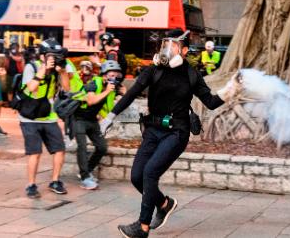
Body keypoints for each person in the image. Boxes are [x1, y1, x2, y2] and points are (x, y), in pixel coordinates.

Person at [99, 30, 242, 238]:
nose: (166, 48)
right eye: (165, 43)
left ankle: (142, 227)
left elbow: (210, 103)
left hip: (176, 132)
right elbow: (130, 94)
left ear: (183, 50)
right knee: (137, 176)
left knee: (149, 173)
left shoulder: (191, 73)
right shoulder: (154, 70)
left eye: (173, 44)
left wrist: (231, 90)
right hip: (152, 130)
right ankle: (164, 204)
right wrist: (109, 117)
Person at [20, 39, 70, 198]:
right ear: (42, 56)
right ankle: (31, 185)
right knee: (35, 152)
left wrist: (62, 71)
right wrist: (43, 70)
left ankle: (55, 181)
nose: (53, 58)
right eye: (51, 56)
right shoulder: (31, 67)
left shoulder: (57, 69)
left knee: (60, 150)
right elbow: (31, 87)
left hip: (49, 116)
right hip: (29, 117)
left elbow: (67, 88)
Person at [73, 60, 126, 190]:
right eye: (112, 75)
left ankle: (87, 171)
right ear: (104, 75)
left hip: (92, 120)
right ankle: (85, 178)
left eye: (117, 75)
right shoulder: (93, 84)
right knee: (82, 147)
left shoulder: (112, 88)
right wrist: (108, 91)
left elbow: (113, 106)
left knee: (102, 147)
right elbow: (91, 101)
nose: (115, 78)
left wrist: (124, 93)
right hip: (78, 118)